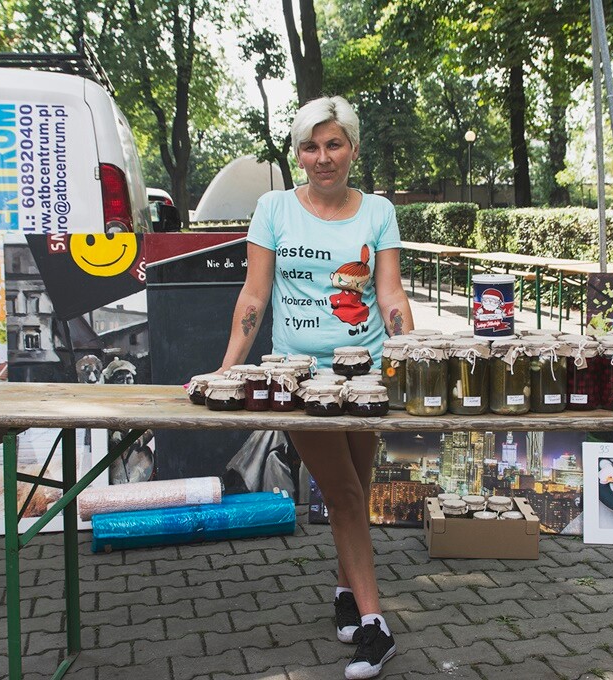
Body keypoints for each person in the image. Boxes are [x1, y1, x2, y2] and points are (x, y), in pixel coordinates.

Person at [217, 95, 413, 680]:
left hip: (367, 374)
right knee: (345, 493)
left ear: (353, 149)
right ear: (298, 153)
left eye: (333, 144)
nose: (322, 157)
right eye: (310, 146)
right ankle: (376, 626)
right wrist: (228, 370)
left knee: (356, 486)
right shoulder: (274, 208)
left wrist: (410, 357)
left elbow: (390, 294)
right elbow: (254, 296)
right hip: (298, 379)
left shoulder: (378, 211)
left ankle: (346, 593)